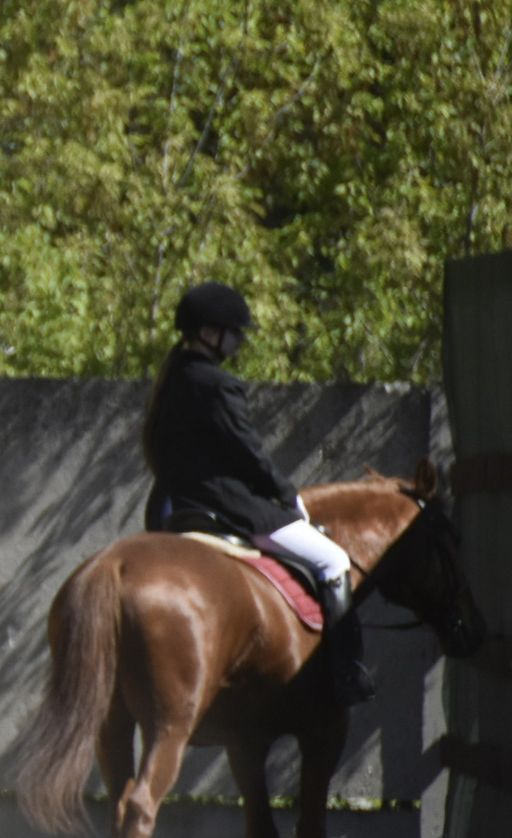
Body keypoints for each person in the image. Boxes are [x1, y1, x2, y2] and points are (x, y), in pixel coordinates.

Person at [141, 282, 373, 704]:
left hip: (172, 509)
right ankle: (345, 674)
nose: (239, 340)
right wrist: (286, 495)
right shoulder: (217, 384)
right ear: (209, 333)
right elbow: (247, 453)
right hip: (225, 507)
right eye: (233, 331)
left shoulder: (170, 382)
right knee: (333, 559)